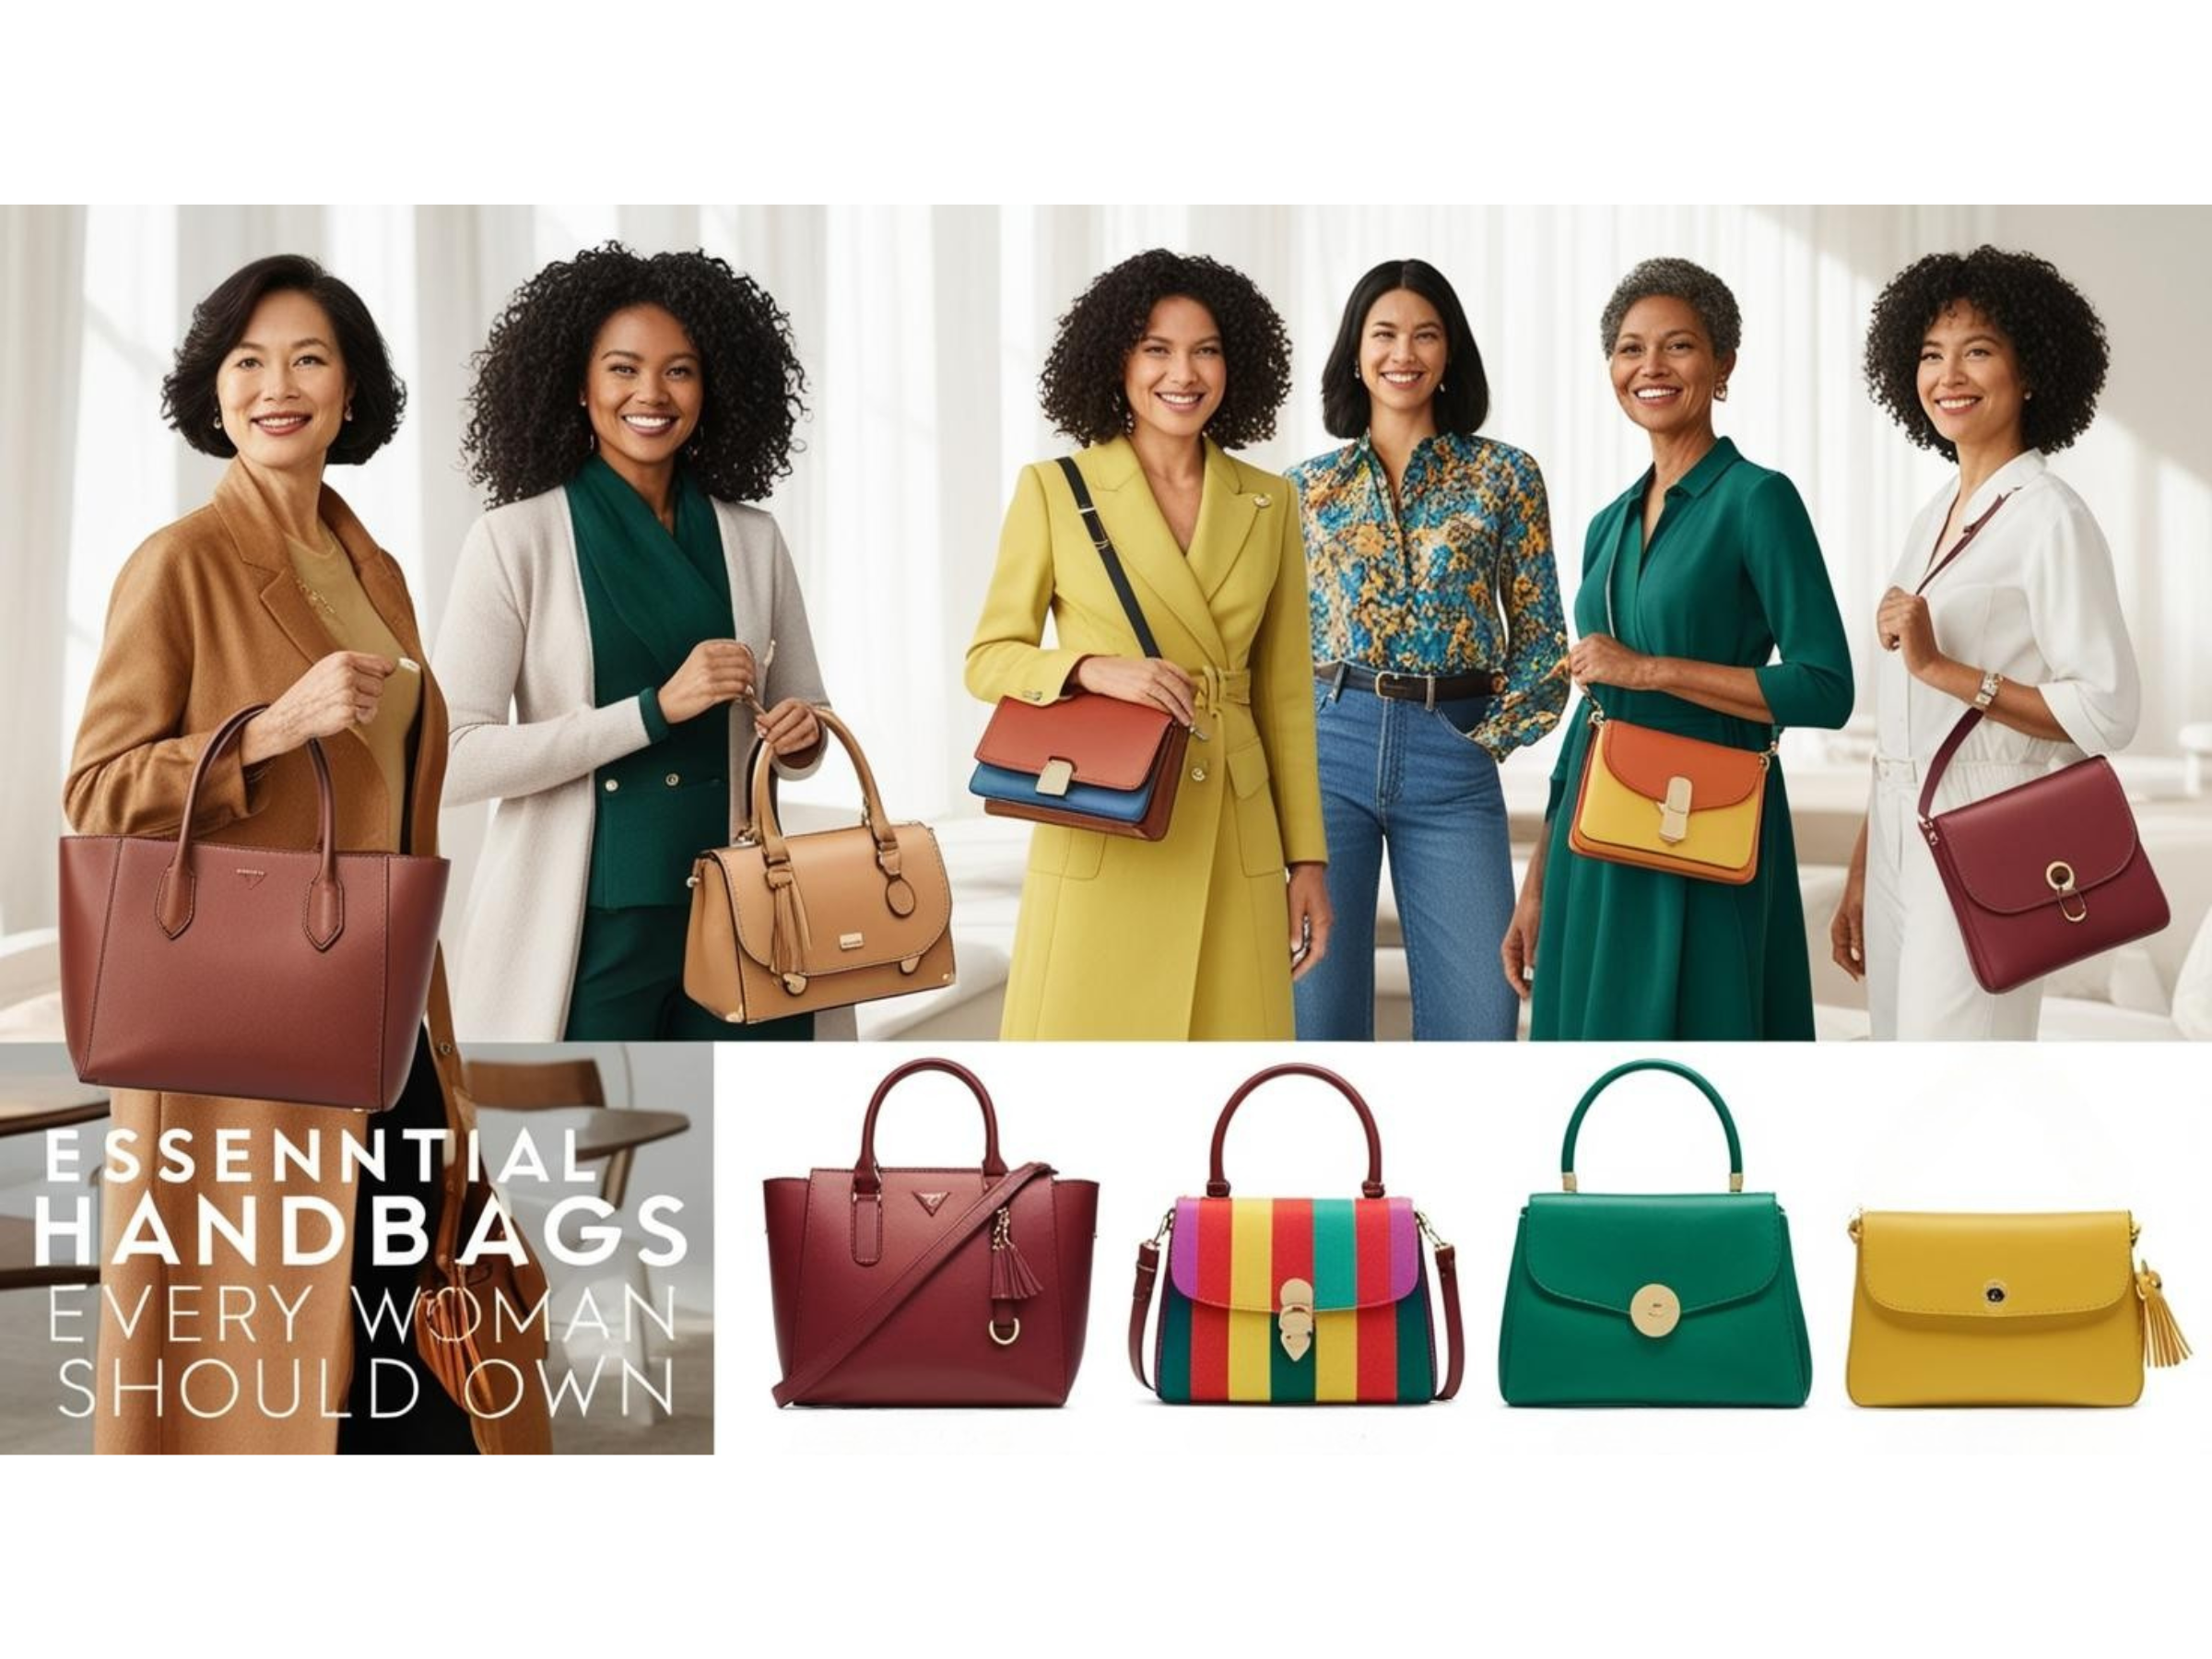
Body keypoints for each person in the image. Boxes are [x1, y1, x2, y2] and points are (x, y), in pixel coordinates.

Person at [65, 254, 548, 1453]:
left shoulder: (372, 572)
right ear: (214, 392)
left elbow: (398, 824)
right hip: (246, 1066)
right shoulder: (179, 565)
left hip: (389, 1032)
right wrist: (271, 730)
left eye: (308, 359)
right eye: (247, 362)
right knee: (295, 1387)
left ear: (349, 393)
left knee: (413, 1365)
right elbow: (95, 796)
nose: (276, 385)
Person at [437, 244, 829, 1041]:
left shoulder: (753, 539)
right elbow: (450, 757)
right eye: (622, 369)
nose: (650, 394)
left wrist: (799, 736)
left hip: (743, 911)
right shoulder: (515, 540)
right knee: (587, 1155)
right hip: (585, 929)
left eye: (679, 371)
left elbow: (807, 716)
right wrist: (652, 712)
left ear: (711, 387)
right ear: (578, 387)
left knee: (735, 1153)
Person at [966, 248, 1329, 1039]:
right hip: (1109, 814)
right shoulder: (1054, 490)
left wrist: (1308, 861)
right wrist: (1094, 670)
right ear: (1117, 362)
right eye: (1157, 349)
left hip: (1235, 831)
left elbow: (1286, 699)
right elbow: (989, 657)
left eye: (1206, 350)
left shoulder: (1271, 502)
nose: (1183, 372)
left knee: (1226, 1088)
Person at [1500, 257, 1854, 1039]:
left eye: (1678, 347)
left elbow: (1827, 687)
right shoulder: (1607, 522)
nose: (1650, 368)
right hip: (1594, 833)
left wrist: (1652, 671)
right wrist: (1539, 879)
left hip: (1707, 820)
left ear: (1723, 364)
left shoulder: (1760, 500)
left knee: (1702, 1046)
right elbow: (1596, 703)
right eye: (1630, 349)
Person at [1830, 246, 2139, 1039]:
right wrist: (1868, 865)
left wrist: (1942, 668)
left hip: (1988, 832)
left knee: (1959, 1080)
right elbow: (1907, 725)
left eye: (1977, 351)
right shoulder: (1934, 512)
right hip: (1904, 830)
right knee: (1903, 1070)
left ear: (2030, 369)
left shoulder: (2051, 518)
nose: (1948, 376)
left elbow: (2107, 712)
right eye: (1931, 354)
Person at [1288, 258, 1566, 1041]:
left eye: (1424, 334)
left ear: (1449, 354)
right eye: (1383, 333)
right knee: (1318, 1017)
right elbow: (1274, 649)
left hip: (1453, 755)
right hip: (1328, 750)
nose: (1402, 352)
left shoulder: (1504, 476)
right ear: (1354, 351)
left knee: (1480, 1018)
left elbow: (1543, 640)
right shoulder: (1304, 490)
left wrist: (1487, 737)